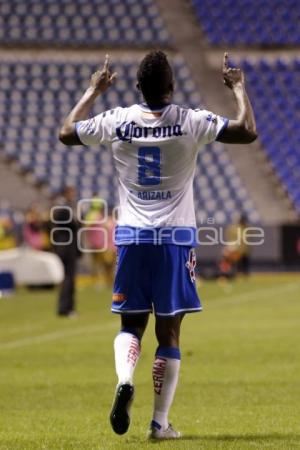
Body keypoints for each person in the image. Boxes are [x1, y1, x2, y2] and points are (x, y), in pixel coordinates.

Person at [59, 51, 257, 438]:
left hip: (131, 237)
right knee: (169, 334)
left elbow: (67, 132)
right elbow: (246, 130)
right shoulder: (189, 120)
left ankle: (124, 377)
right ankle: (159, 423)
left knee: (130, 324)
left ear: (137, 87)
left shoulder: (118, 121)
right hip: (175, 240)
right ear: (172, 86)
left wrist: (93, 90)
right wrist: (238, 88)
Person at [51, 186, 80, 317]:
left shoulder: (59, 207)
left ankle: (66, 307)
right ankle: (66, 308)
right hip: (67, 247)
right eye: (71, 192)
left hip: (63, 246)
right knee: (68, 278)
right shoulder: (64, 208)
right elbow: (75, 225)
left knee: (66, 278)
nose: (73, 195)